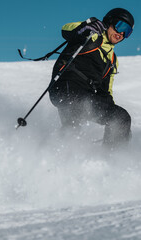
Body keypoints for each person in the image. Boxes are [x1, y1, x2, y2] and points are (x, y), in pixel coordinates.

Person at [49, 8, 134, 149]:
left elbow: (105, 93)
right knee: (120, 118)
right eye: (120, 26)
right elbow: (67, 30)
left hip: (82, 98)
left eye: (127, 32)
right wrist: (86, 27)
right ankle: (113, 160)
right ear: (109, 21)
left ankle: (52, 157)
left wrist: (120, 127)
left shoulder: (112, 60)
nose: (121, 33)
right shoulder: (93, 36)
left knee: (72, 134)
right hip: (66, 88)